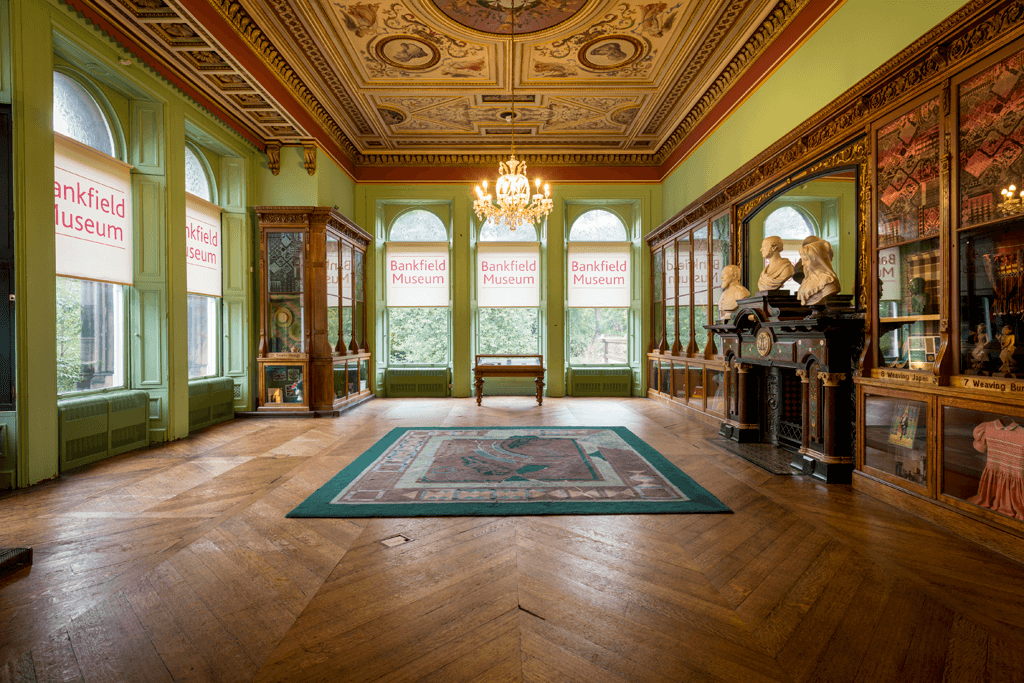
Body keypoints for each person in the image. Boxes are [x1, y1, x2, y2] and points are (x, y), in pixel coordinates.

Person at [796, 238, 839, 306]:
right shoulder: (806, 281)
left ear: (816, 260)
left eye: (805, 259)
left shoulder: (828, 282)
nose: (803, 263)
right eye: (802, 259)